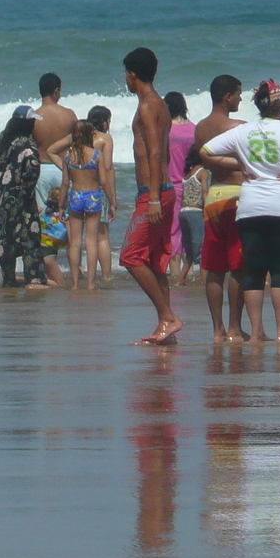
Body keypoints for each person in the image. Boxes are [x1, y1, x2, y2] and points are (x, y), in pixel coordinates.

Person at [199, 80, 280, 343]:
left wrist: (239, 164)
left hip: (251, 205)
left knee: (255, 270)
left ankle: (257, 331)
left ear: (258, 105)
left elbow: (206, 151)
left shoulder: (243, 132)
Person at [120, 48, 180, 345]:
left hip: (156, 193)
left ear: (132, 74)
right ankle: (164, 327)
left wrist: (153, 196)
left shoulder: (148, 105)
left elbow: (156, 151)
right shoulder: (160, 104)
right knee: (155, 260)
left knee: (130, 257)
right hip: (159, 192)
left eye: (126, 74)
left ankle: (168, 317)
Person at [191, 76, 249, 342]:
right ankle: (235, 329)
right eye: (238, 94)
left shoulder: (200, 128)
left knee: (215, 267)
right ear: (227, 96)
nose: (240, 99)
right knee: (238, 267)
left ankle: (217, 330)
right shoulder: (240, 126)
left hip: (214, 197)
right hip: (237, 197)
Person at [0, 106, 50, 288]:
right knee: (29, 240)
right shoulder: (27, 145)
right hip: (22, 202)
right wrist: (25, 193)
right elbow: (33, 170)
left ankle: (9, 279)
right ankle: (33, 279)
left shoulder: (1, 144)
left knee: (6, 241)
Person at [47, 120, 109, 290]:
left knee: (75, 242)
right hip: (93, 196)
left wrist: (60, 205)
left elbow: (65, 183)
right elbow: (104, 181)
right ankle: (90, 283)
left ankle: (74, 283)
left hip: (75, 196)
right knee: (91, 241)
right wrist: (112, 202)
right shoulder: (97, 155)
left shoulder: (68, 156)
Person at [85, 105, 117, 282]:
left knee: (84, 236)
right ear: (103, 121)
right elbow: (108, 168)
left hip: (80, 189)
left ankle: (83, 275)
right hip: (99, 190)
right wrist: (113, 198)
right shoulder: (105, 139)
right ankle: (106, 276)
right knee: (102, 236)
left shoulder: (80, 138)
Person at [165, 92, 195, 268]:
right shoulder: (195, 129)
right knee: (189, 230)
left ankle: (175, 272)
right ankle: (189, 271)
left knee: (173, 230)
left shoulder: (166, 130)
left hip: (172, 184)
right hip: (192, 184)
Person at [175, 152, 207, 286]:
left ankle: (180, 280)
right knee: (201, 250)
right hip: (195, 211)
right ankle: (204, 281)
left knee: (189, 251)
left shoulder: (187, 174)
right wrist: (207, 212)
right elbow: (204, 192)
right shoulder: (202, 172)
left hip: (183, 212)